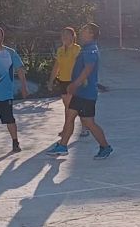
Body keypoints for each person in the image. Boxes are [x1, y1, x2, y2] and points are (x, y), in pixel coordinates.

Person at [47, 23, 113, 159]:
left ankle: (105, 147)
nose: (81, 32)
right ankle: (62, 146)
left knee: (89, 122)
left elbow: (88, 68)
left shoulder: (90, 50)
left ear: (91, 34)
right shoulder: (86, 48)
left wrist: (75, 84)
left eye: (84, 30)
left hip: (87, 93)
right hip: (80, 93)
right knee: (70, 116)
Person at [0, 25, 28, 153]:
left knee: (9, 119)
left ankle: (15, 142)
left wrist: (24, 87)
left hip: (5, 94)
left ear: (2, 36)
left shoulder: (10, 53)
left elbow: (20, 69)